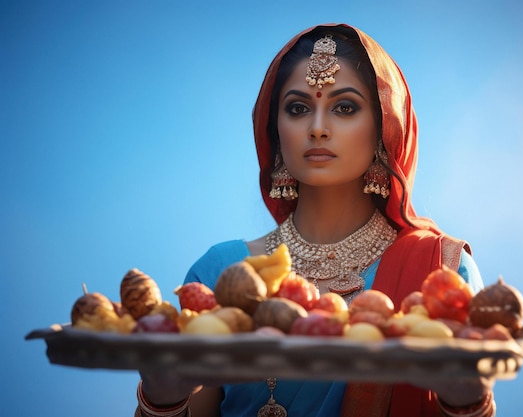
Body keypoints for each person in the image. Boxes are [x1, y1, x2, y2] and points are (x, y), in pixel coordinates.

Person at [136, 23, 496, 417]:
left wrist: (468, 402)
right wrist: (162, 399)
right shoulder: (223, 273)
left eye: (344, 108)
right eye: (298, 108)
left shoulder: (439, 273)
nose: (318, 128)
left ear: (384, 130)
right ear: (275, 130)